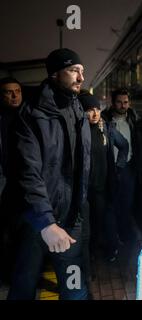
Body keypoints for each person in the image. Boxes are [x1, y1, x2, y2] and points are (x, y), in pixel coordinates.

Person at [8, 48, 91, 300]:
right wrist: (46, 222)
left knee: (75, 287)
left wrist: (79, 209)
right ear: (55, 74)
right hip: (36, 222)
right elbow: (28, 173)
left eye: (82, 72)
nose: (80, 78)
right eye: (73, 70)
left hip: (71, 218)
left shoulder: (78, 111)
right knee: (24, 283)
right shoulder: (31, 115)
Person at [78, 92, 129, 263]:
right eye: (90, 110)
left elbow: (124, 146)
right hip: (83, 188)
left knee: (99, 222)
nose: (95, 114)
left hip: (101, 187)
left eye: (97, 110)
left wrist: (118, 167)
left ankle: (97, 251)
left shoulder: (106, 128)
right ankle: (87, 255)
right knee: (85, 224)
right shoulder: (77, 130)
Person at [103, 88, 142, 244]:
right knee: (111, 205)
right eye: (119, 102)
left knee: (127, 204)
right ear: (112, 102)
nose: (123, 106)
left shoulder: (135, 121)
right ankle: (112, 237)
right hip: (109, 169)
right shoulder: (104, 120)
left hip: (128, 168)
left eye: (125, 102)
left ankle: (124, 235)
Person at [0, 77, 25, 286]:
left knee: (22, 233)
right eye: (9, 92)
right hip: (5, 185)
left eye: (17, 91)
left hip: (24, 185)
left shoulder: (29, 117)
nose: (15, 95)